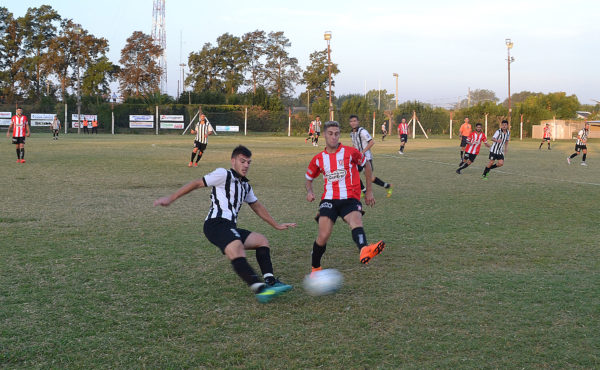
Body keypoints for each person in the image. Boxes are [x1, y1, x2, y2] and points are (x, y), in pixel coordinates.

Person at [154, 145, 296, 303]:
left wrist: (276, 225)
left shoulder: (245, 186)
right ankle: (260, 289)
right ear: (233, 161)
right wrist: (171, 198)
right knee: (236, 248)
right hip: (215, 224)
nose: (246, 165)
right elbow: (196, 183)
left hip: (229, 227)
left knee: (261, 241)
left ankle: (271, 282)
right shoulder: (223, 174)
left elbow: (257, 206)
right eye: (242, 161)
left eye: (249, 162)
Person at [305, 120, 386, 274]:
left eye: (336, 134)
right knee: (323, 235)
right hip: (329, 200)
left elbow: (367, 164)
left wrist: (369, 191)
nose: (334, 137)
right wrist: (309, 191)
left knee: (356, 220)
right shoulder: (318, 159)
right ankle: (315, 267)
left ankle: (364, 249)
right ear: (324, 135)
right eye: (330, 134)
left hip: (350, 198)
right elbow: (308, 178)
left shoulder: (350, 152)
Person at [349, 115, 393, 197]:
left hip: (366, 158)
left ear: (358, 122)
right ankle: (363, 191)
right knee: (352, 173)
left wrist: (362, 152)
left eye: (355, 121)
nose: (353, 123)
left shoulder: (362, 131)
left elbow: (372, 142)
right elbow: (355, 145)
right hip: (358, 159)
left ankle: (388, 186)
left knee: (370, 178)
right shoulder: (352, 133)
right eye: (351, 121)